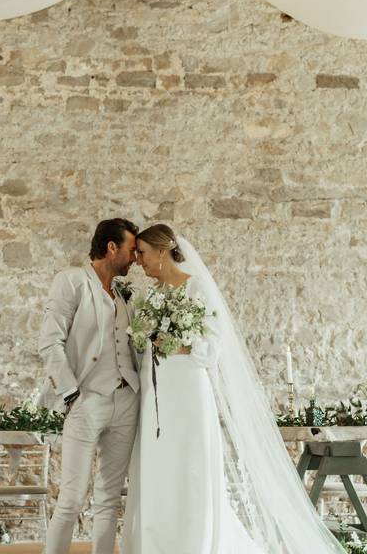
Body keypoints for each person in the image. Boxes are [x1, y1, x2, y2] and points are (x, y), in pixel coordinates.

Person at [122, 224, 346, 554]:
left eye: (141, 252)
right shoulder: (153, 295)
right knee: (158, 469)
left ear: (162, 250)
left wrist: (178, 345)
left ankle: (193, 544)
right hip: (156, 394)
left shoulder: (196, 286)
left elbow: (213, 346)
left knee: (190, 468)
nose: (138, 260)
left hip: (187, 393)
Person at [38, 218, 141, 554]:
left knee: (110, 498)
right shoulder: (71, 282)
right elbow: (50, 343)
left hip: (126, 401)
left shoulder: (124, 295)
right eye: (131, 249)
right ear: (112, 248)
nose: (135, 258)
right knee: (70, 498)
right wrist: (70, 394)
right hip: (86, 401)